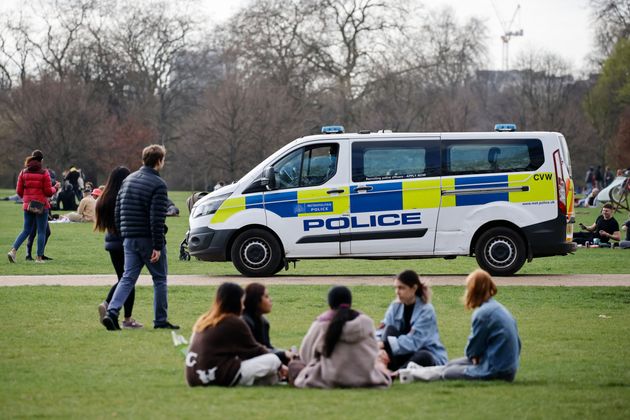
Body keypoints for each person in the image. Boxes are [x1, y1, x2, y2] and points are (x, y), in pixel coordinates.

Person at [102, 144, 179, 331]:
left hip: (128, 238)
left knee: (127, 277)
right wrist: (157, 245)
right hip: (148, 238)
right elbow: (156, 218)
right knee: (159, 279)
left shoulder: (128, 180)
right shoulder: (158, 184)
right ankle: (160, 320)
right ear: (159, 161)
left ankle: (112, 312)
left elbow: (119, 210)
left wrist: (124, 233)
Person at [402, 269, 521, 382]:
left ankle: (410, 375)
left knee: (449, 372)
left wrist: (475, 355)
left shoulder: (483, 314)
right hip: (506, 367)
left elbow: (472, 349)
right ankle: (414, 370)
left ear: (474, 290)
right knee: (451, 364)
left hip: (496, 370)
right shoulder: (498, 308)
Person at [185, 282, 286, 387]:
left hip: (193, 378)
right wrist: (280, 364)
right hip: (218, 375)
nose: (243, 307)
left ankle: (278, 379)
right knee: (273, 360)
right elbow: (255, 350)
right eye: (241, 302)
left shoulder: (204, 319)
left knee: (271, 377)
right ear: (235, 302)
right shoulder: (232, 321)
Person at [292, 286, 392, 388]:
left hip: (330, 377)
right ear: (350, 302)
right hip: (364, 376)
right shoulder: (366, 322)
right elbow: (374, 350)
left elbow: (306, 355)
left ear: (330, 303)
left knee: (295, 365)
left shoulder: (321, 324)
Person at [94, 167, 142, 329]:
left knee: (124, 278)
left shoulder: (105, 197)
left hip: (111, 243)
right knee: (129, 279)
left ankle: (111, 307)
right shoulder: (124, 196)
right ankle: (123, 316)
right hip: (125, 242)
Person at [378, 270, 448, 370]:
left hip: (423, 351)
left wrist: (386, 344)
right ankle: (396, 369)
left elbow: (415, 342)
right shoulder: (395, 306)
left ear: (414, 288)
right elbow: (383, 330)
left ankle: (397, 372)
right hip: (400, 351)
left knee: (424, 356)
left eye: (401, 288)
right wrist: (376, 345)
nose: (397, 292)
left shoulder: (426, 310)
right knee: (389, 329)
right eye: (396, 288)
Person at [8, 155, 58, 263]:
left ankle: (13, 251)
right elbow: (49, 192)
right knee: (41, 232)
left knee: (26, 230)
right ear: (41, 160)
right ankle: (39, 258)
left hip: (27, 205)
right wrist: (56, 188)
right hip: (41, 206)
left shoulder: (23, 172)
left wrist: (27, 198)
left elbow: (19, 192)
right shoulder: (44, 173)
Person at [242, 283, 294, 365]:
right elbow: (254, 352)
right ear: (256, 301)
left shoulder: (263, 322)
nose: (270, 300)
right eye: (266, 297)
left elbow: (267, 347)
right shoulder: (244, 322)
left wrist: (284, 352)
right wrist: (283, 354)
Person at [25, 150, 53, 261]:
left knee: (43, 231)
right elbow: (47, 191)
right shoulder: (42, 172)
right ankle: (32, 254)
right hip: (38, 204)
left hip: (35, 203)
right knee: (34, 231)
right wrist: (54, 188)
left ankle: (39, 253)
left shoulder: (27, 171)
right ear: (41, 159)